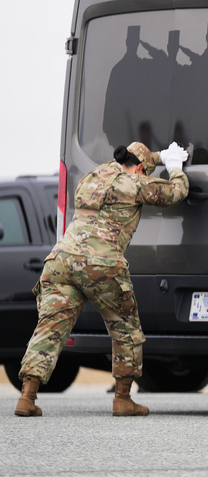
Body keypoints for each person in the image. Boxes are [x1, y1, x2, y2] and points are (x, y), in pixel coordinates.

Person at [14, 141, 189, 417]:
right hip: (102, 264)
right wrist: (175, 168)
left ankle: (27, 396)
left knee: (50, 327)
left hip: (61, 261)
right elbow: (176, 192)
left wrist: (158, 155)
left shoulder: (92, 176)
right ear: (141, 169)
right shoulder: (135, 184)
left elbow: (131, 163)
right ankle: (123, 399)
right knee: (125, 328)